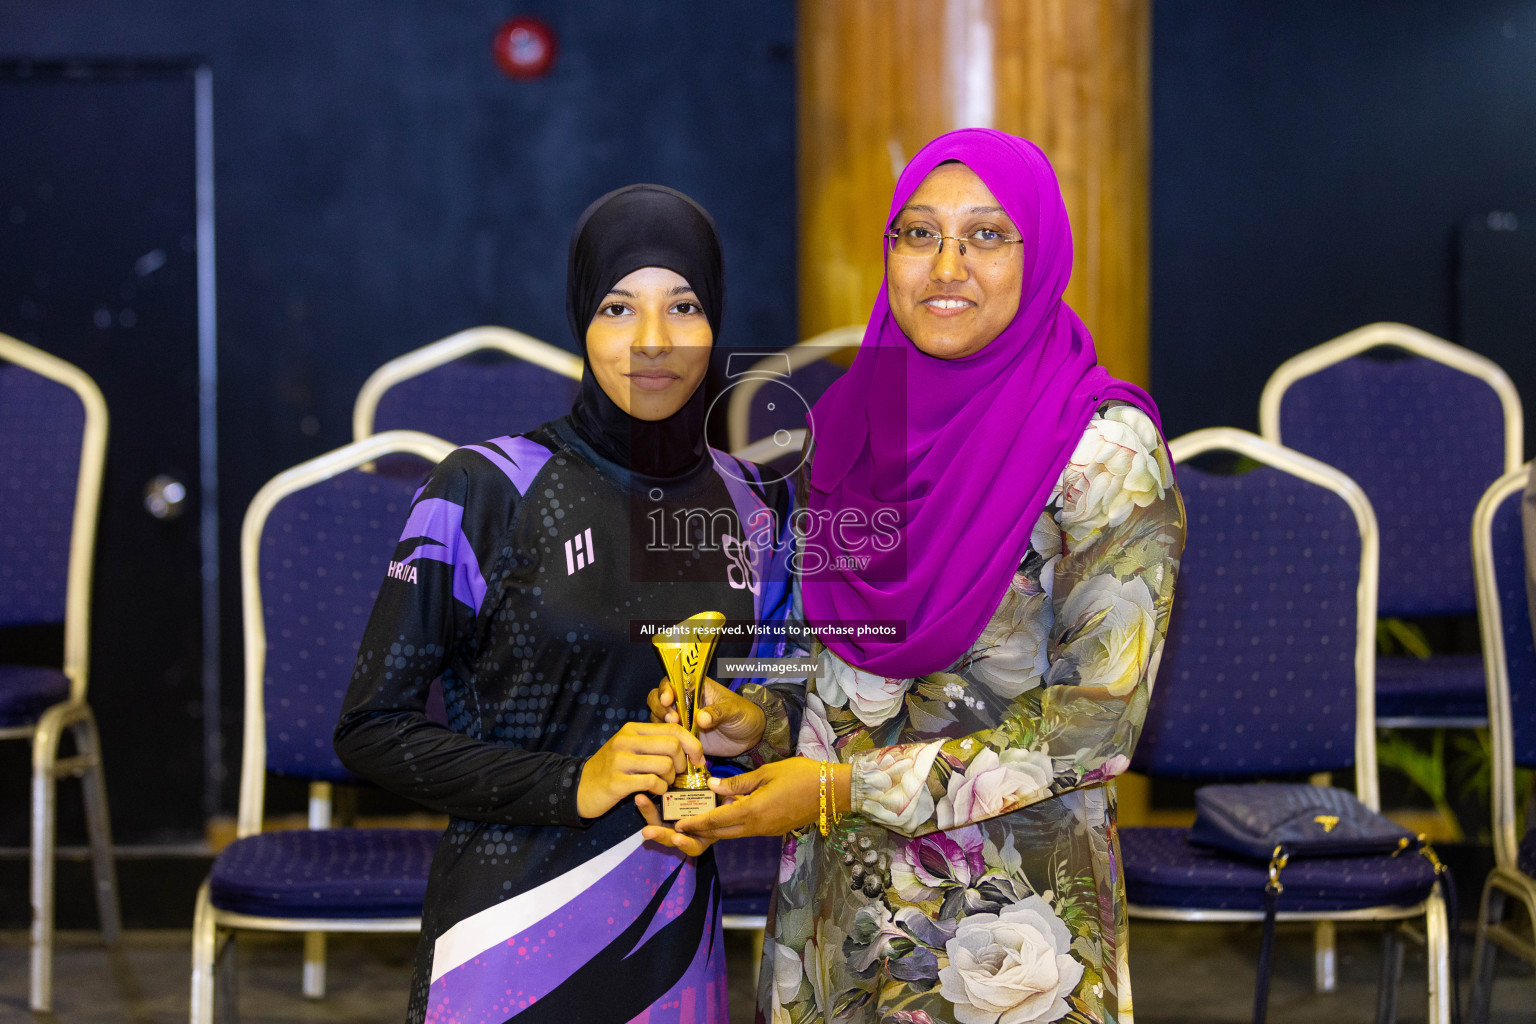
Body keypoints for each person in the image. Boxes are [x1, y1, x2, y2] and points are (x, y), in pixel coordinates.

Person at [646, 129, 1186, 1024]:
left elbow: (1094, 726)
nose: (947, 266)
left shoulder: (1103, 451)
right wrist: (758, 721)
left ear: (1040, 254)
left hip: (1007, 925)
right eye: (919, 233)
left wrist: (842, 788)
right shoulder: (851, 426)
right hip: (837, 903)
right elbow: (842, 673)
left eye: (985, 235)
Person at [334, 183, 794, 1024]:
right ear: (582, 318)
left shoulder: (756, 501)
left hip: (674, 935)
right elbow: (372, 729)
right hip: (509, 933)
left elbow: (800, 696)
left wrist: (756, 723)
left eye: (683, 306)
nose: (653, 341)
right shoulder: (487, 486)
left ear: (717, 320)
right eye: (620, 307)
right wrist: (571, 781)